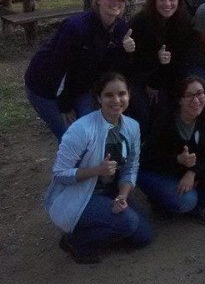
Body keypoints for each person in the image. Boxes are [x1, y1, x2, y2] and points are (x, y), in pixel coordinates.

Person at [45, 73, 151, 264]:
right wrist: (96, 170)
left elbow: (130, 167)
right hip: (80, 195)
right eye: (109, 95)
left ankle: (103, 225)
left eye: (121, 94)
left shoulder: (132, 126)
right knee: (128, 223)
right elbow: (60, 174)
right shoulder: (81, 129)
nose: (116, 100)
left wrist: (123, 195)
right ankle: (75, 242)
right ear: (98, 98)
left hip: (110, 191)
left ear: (129, 95)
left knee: (143, 237)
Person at [25, 0, 137, 140]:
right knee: (71, 138)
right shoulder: (76, 27)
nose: (116, 3)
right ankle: (71, 164)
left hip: (79, 86)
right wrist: (64, 105)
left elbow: (110, 69)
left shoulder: (121, 29)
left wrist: (125, 51)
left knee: (92, 134)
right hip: (45, 87)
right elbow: (58, 67)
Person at [138, 76, 205, 224]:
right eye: (189, 96)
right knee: (186, 201)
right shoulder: (165, 121)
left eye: (200, 93)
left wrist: (193, 171)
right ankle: (160, 201)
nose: (196, 100)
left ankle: (198, 208)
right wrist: (177, 160)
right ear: (180, 100)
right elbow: (148, 159)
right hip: (158, 170)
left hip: (188, 168)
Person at [127, 0, 197, 132]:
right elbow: (133, 62)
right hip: (141, 78)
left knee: (166, 108)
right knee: (143, 113)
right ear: (153, 0)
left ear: (179, 0)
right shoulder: (140, 23)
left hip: (170, 79)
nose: (167, 4)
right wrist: (154, 66)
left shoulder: (184, 22)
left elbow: (185, 60)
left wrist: (159, 83)